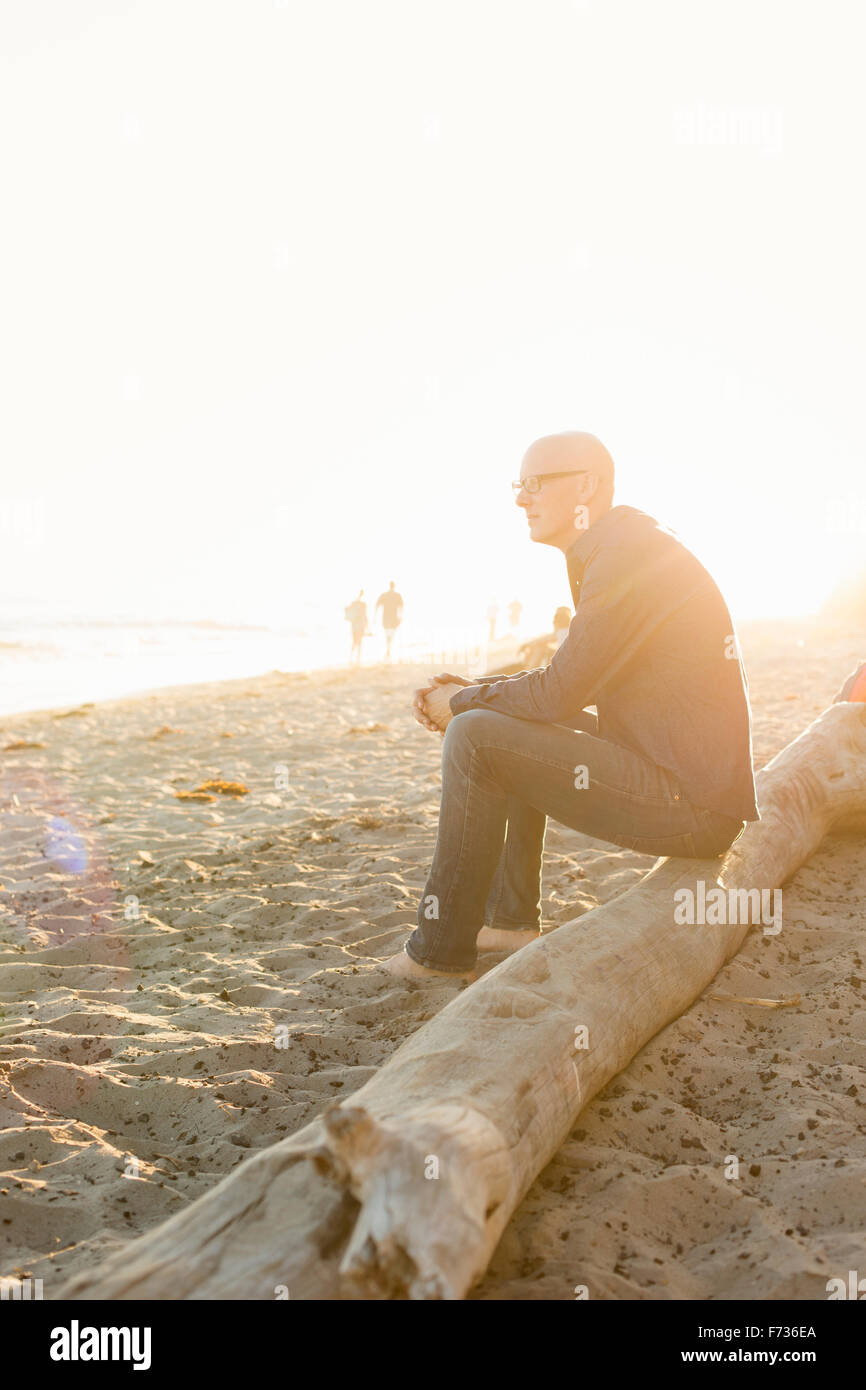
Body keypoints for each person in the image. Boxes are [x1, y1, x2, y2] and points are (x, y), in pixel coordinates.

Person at [385, 430, 759, 980]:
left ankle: (439, 954)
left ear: (586, 484)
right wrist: (478, 692)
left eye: (535, 484)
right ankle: (509, 919)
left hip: (691, 805)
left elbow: (559, 692)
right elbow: (566, 682)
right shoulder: (619, 544)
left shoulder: (625, 553)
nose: (520, 498)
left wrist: (463, 701)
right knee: (497, 715)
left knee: (475, 734)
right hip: (676, 776)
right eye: (519, 485)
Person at [375, 581, 404, 661]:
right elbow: (401, 607)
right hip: (393, 619)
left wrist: (375, 617)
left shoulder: (384, 595)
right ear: (394, 586)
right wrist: (400, 617)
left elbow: (377, 605)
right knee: (391, 635)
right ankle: (388, 650)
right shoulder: (397, 595)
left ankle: (388, 651)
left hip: (385, 618)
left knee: (387, 635)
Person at [344, 589, 368, 665]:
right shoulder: (363, 604)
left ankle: (351, 658)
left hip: (354, 626)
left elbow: (346, 610)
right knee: (359, 642)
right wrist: (367, 626)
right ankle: (357, 659)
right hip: (361, 626)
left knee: (354, 642)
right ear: (362, 594)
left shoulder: (353, 603)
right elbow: (365, 616)